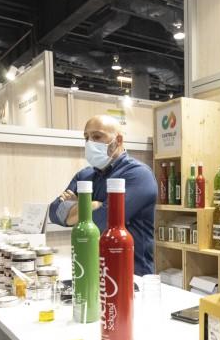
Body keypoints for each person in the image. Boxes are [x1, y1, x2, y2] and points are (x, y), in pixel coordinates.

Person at [48, 115, 157, 274]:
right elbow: (54, 211)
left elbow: (102, 221)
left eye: (97, 136)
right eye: (86, 138)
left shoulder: (138, 175)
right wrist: (92, 205)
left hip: (130, 274)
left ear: (118, 140)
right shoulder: (85, 175)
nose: (89, 143)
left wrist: (77, 208)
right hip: (92, 271)